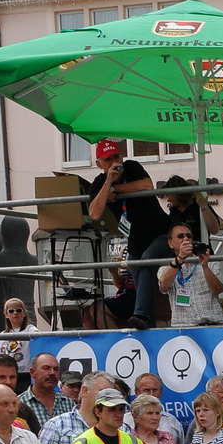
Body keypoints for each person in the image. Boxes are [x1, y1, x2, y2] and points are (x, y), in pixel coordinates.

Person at [87, 141, 170, 330]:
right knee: (137, 267)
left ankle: (140, 315)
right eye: (108, 159)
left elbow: (147, 185)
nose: (114, 161)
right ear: (99, 164)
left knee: (146, 261)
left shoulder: (132, 166)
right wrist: (108, 182)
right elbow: (94, 213)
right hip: (136, 241)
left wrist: (115, 190)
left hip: (160, 232)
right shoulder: (100, 182)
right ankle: (146, 322)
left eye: (116, 156)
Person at [157, 221, 223, 327]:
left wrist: (205, 267)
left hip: (213, 325)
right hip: (184, 329)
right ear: (170, 243)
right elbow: (164, 286)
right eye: (180, 236)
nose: (186, 239)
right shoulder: (165, 267)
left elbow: (218, 290)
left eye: (188, 236)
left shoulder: (209, 263)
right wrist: (180, 258)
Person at [128, 372, 188, 444]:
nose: (151, 394)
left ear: (161, 392)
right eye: (147, 390)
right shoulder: (125, 421)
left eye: (155, 390)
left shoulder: (172, 422)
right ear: (137, 392)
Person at [19, 353, 72, 429]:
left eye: (56, 369)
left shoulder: (68, 403)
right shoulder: (20, 404)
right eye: (46, 368)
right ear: (32, 372)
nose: (52, 373)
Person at [0, 299, 39, 373]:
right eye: (11, 311)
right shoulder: (3, 335)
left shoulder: (30, 330)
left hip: (26, 373)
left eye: (18, 310)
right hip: (8, 374)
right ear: (6, 314)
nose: (15, 313)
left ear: (24, 313)